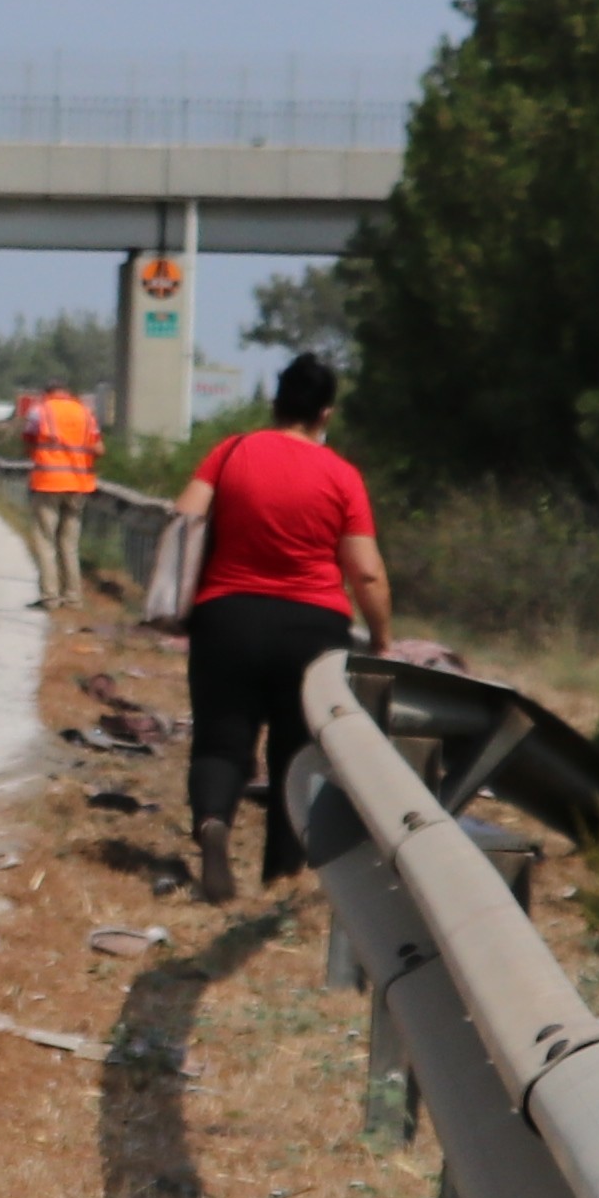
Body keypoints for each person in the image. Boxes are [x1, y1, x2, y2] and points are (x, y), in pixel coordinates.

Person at [168, 352, 389, 894]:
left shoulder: (231, 452)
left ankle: (214, 825)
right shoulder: (341, 476)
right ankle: (281, 877)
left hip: (228, 618)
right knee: (296, 756)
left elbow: (184, 515)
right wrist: (381, 637)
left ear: (275, 402)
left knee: (221, 742)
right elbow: (365, 572)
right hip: (312, 628)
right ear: (326, 414)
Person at [28, 382, 103, 598]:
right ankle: (73, 596)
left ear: (47, 393)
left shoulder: (39, 411)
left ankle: (50, 596)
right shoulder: (86, 413)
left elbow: (29, 443)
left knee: (45, 540)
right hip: (79, 485)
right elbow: (98, 448)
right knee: (69, 544)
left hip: (48, 483)